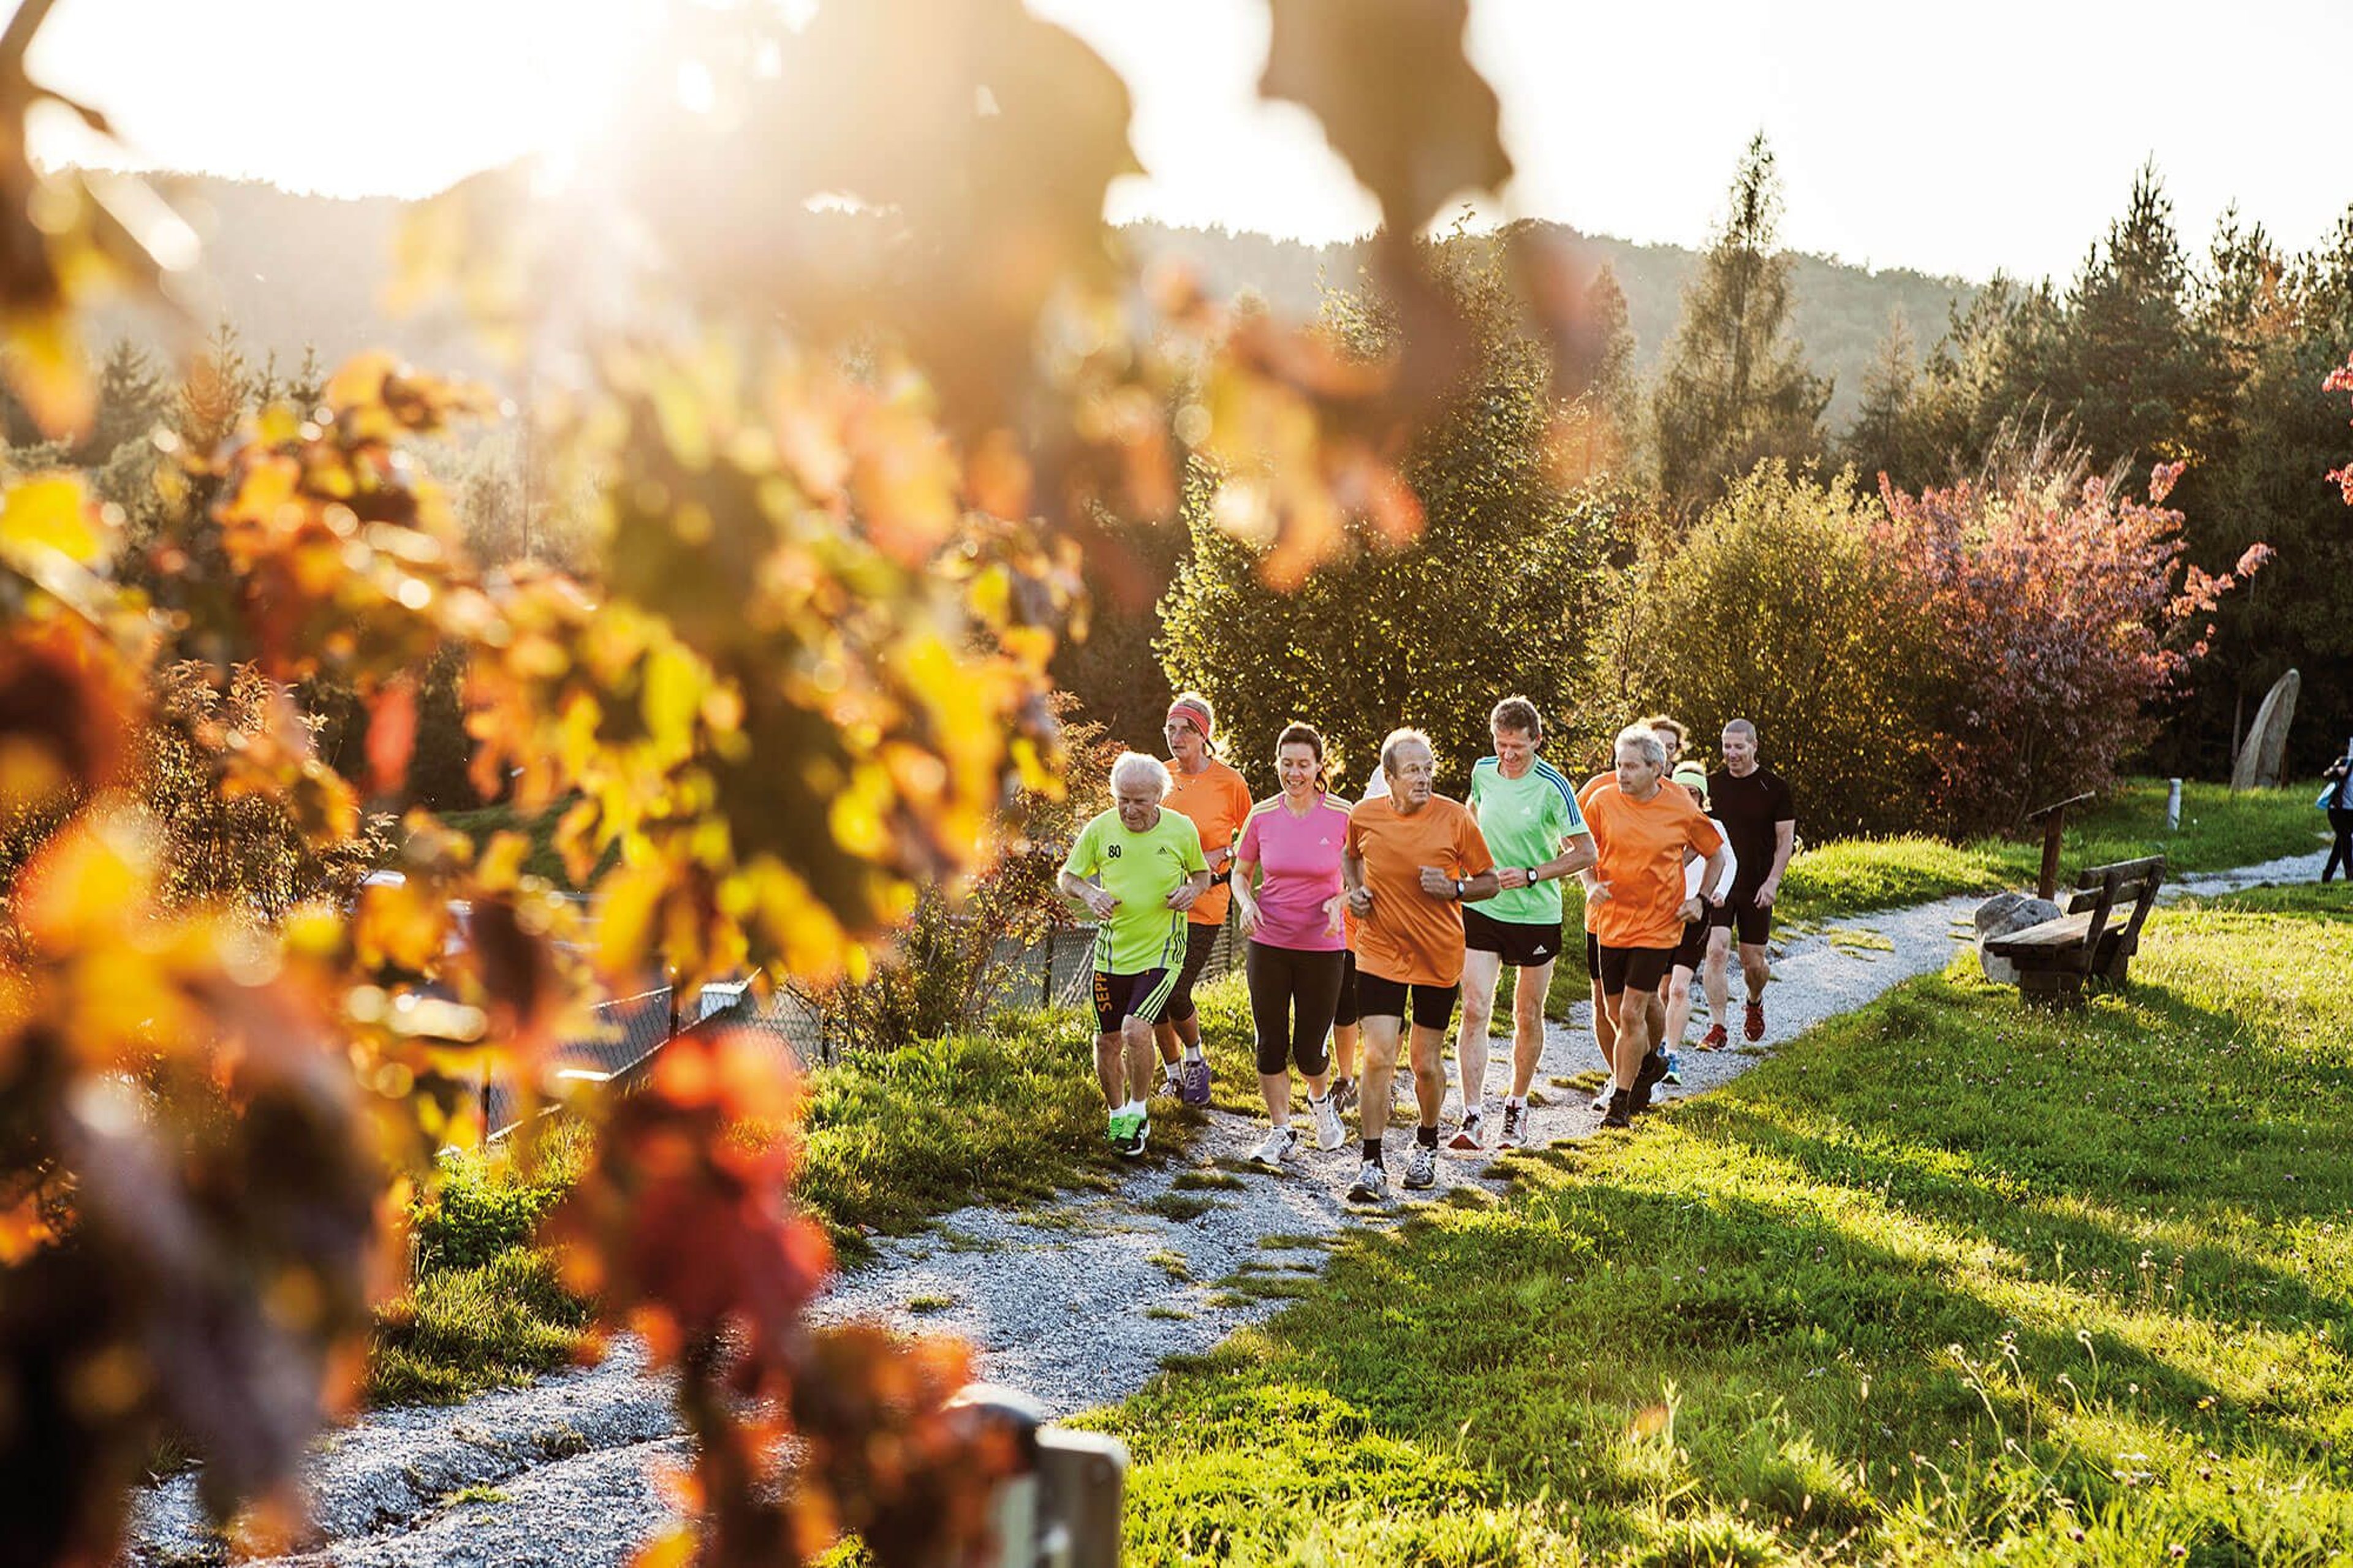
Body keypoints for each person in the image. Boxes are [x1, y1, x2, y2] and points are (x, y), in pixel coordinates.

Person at [1341, 729, 1497, 1200]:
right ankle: (1371, 1163)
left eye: (1429, 769)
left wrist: (1456, 888)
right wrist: (1357, 892)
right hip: (1379, 949)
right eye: (1413, 770)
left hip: (1437, 953)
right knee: (1378, 1054)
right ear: (1388, 777)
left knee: (1424, 1063)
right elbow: (1350, 857)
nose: (1424, 778)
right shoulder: (1364, 815)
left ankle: (1426, 1143)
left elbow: (1489, 881)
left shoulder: (1455, 818)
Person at [1454, 697, 1595, 1149]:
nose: (1509, 754)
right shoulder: (1482, 771)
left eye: (1517, 746)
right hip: (1484, 905)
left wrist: (1534, 873)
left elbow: (1586, 853)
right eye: (1501, 744)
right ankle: (1472, 1115)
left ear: (1537, 740)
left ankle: (1516, 1106)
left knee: (1527, 1013)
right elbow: (1470, 813)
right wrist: (1470, 861)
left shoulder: (1554, 786)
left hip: (1535, 914)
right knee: (1475, 1006)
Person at [1056, 752, 1212, 1157]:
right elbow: (1068, 876)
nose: (1129, 809)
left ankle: (1139, 1113)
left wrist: (1192, 890)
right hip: (1111, 954)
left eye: (1139, 801)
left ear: (1159, 796)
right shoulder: (1100, 828)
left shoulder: (1180, 829)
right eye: (1122, 799)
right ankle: (1118, 1116)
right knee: (1106, 1041)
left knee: (1135, 1031)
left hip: (1162, 951)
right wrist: (1089, 892)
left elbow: (1202, 873)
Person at [1580, 725, 1727, 1129]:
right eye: (1618, 764)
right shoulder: (1602, 800)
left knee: (1632, 1012)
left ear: (1656, 769)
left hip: (1660, 924)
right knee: (1616, 1013)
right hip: (1612, 923)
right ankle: (1649, 1063)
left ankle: (1620, 1103)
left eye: (1631, 767)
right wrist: (1591, 884)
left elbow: (1716, 855)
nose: (1622, 773)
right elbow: (1581, 848)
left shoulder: (1680, 806)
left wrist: (1701, 899)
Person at [1231, 724, 1352, 1165]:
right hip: (1269, 940)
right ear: (1277, 764)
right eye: (1287, 764)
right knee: (1269, 1042)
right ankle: (1281, 1130)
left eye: (1304, 764)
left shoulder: (1344, 814)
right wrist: (1246, 903)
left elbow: (1367, 875)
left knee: (1308, 1049)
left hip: (1323, 945)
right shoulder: (1262, 814)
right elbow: (1241, 873)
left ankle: (1320, 1103)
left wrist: (1341, 901)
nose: (1294, 773)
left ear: (1320, 766)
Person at [1154, 692, 1254, 1106]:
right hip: (1159, 903)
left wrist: (1224, 852)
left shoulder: (1230, 782)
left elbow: (1253, 836)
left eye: (1186, 730)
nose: (1176, 737)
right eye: (1171, 729)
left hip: (1206, 902)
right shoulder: (1159, 776)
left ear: (1204, 735)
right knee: (1153, 993)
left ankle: (1196, 1062)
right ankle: (1173, 1075)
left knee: (1176, 991)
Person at [1705, 718, 1797, 1045]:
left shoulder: (1775, 788)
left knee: (1753, 963)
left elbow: (1785, 841)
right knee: (1716, 951)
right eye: (1726, 746)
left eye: (1739, 747)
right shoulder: (1711, 786)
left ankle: (1754, 1001)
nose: (1732, 753)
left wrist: (1773, 882)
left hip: (1756, 885)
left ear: (1754, 746)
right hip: (1720, 884)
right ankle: (1718, 1027)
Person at [1661, 763, 1738, 1070]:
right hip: (1663, 914)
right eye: (1683, 791)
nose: (1688, 797)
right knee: (1662, 991)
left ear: (1702, 797)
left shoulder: (1713, 826)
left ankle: (1672, 1056)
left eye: (1694, 793)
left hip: (1696, 913)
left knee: (1679, 988)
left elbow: (1729, 862)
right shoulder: (1662, 824)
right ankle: (1659, 1045)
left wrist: (1719, 893)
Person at [2324, 740, 2353, 884]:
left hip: (2351, 812)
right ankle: (2350, 874)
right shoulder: (2345, 762)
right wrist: (2337, 771)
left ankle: (2327, 876)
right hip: (2338, 811)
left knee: (2340, 844)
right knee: (2346, 839)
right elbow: (2327, 774)